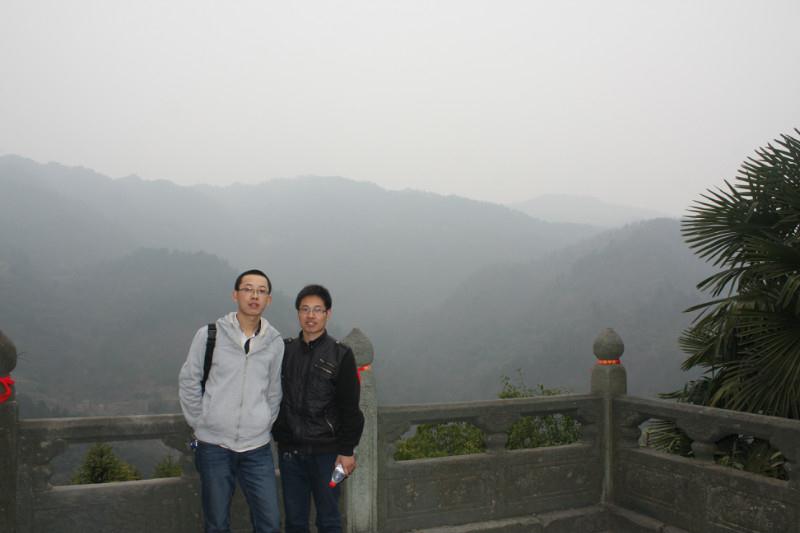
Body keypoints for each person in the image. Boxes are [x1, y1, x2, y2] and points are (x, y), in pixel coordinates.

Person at [178, 269, 284, 533]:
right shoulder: (210, 335)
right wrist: (201, 422)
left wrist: (262, 422)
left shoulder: (274, 342)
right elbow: (189, 380)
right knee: (217, 523)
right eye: (248, 289)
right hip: (214, 446)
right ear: (235, 295)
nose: (254, 296)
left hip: (257, 448)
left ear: (268, 300)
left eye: (261, 291)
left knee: (270, 522)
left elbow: (274, 391)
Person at [273, 284, 365, 533]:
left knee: (329, 519)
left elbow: (350, 408)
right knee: (295, 521)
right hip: (291, 453)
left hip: (328, 454)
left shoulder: (340, 354)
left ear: (327, 313)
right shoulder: (285, 351)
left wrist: (347, 451)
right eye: (305, 309)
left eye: (317, 310)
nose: (310, 316)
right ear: (298, 313)